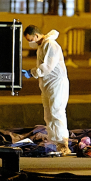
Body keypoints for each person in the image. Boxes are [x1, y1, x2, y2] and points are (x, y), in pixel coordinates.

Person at [22, 25, 71, 155]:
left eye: (30, 40)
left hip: (56, 83)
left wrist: (32, 72)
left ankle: (63, 144)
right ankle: (55, 143)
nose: (30, 43)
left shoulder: (50, 45)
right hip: (48, 84)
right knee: (49, 114)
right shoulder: (42, 46)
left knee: (57, 112)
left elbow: (47, 67)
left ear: (37, 36)